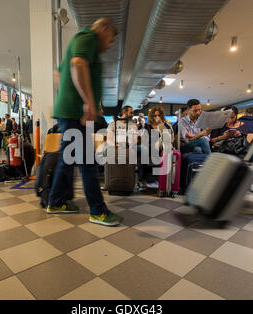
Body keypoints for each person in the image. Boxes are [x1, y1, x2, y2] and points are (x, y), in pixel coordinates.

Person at [46, 18, 122, 227]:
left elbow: (58, 75)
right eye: (111, 39)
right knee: (87, 161)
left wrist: (69, 97)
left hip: (69, 111)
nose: (109, 45)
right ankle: (97, 211)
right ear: (104, 28)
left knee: (67, 159)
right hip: (75, 113)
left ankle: (55, 202)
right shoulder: (88, 37)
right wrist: (87, 101)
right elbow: (77, 64)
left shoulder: (80, 42)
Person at [140, 107, 175, 188]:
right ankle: (143, 180)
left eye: (159, 115)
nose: (157, 117)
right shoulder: (147, 126)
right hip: (150, 147)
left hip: (163, 148)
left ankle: (167, 181)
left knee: (165, 140)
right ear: (151, 116)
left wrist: (161, 125)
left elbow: (171, 138)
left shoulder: (167, 125)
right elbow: (144, 142)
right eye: (155, 115)